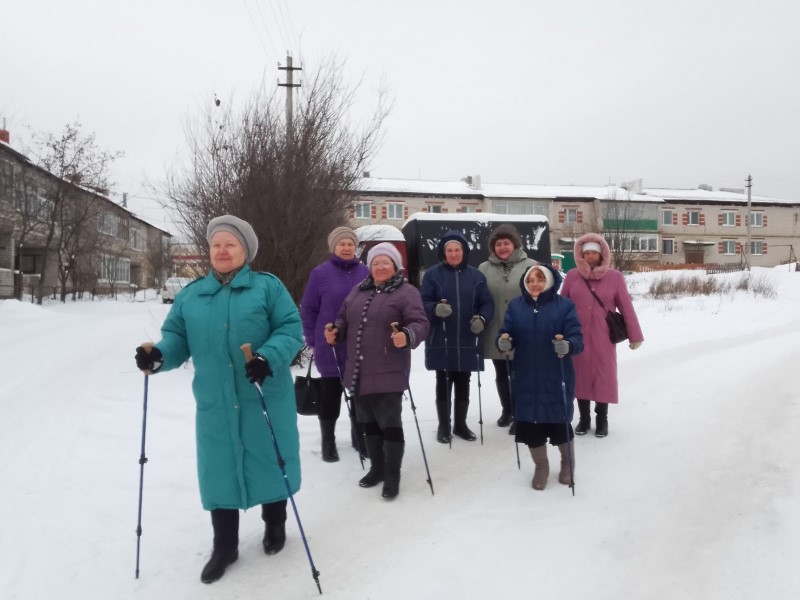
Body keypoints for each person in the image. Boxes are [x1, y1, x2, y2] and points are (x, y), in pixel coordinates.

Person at [134, 215, 304, 584]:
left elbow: (291, 329)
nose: (222, 251)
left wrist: (268, 357)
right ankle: (224, 546)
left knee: (271, 459)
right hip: (215, 402)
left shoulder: (268, 288)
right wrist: (158, 356)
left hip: (263, 396)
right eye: (216, 245)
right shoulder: (192, 295)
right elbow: (176, 338)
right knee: (219, 470)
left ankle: (275, 524)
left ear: (246, 250)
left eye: (230, 244)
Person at [324, 242, 429, 499]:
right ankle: (377, 468)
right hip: (358, 370)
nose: (380, 266)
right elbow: (343, 317)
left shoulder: (407, 292)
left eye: (385, 262)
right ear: (370, 267)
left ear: (395, 266)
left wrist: (408, 335)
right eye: (375, 263)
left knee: (390, 425)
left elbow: (420, 323)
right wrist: (336, 331)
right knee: (368, 423)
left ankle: (392, 475)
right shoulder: (358, 290)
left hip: (389, 371)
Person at [497, 263, 583, 491]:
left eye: (540, 279)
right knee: (531, 425)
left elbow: (577, 338)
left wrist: (568, 345)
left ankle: (567, 463)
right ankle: (541, 466)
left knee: (559, 422)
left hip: (556, 375)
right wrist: (504, 342)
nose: (535, 284)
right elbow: (506, 333)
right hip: (525, 375)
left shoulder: (565, 306)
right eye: (530, 280)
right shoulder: (516, 306)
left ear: (550, 281)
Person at [560, 233, 644, 438]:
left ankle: (602, 419)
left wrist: (635, 335)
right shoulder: (572, 276)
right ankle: (584, 418)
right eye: (586, 253)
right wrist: (558, 333)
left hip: (603, 337)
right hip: (576, 336)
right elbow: (561, 306)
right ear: (580, 254)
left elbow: (626, 307)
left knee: (603, 377)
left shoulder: (615, 277)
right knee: (579, 376)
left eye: (594, 253)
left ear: (602, 254)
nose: (590, 256)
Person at [300, 226, 369, 463]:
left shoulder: (366, 272)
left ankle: (359, 437)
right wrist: (312, 340)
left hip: (359, 344)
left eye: (350, 243)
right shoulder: (320, 273)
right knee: (330, 395)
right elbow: (308, 309)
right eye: (342, 244)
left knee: (359, 395)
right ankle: (328, 442)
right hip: (329, 344)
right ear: (333, 247)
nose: (346, 248)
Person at [421, 230, 493, 444]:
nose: (453, 254)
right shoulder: (432, 275)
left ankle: (460, 424)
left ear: (464, 251)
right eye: (449, 250)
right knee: (443, 381)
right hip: (441, 337)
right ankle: (444, 425)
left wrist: (482, 318)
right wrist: (434, 308)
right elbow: (421, 302)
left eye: (457, 249)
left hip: (467, 336)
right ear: (443, 252)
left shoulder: (476, 276)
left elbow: (487, 303)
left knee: (463, 381)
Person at [478, 223, 536, 432]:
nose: (502, 247)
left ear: (515, 245)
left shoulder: (531, 265)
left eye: (506, 243)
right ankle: (507, 410)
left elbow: (539, 295)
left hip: (522, 329)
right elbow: (479, 297)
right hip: (495, 328)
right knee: (501, 372)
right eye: (498, 244)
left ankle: (522, 413)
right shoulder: (484, 268)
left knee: (520, 374)